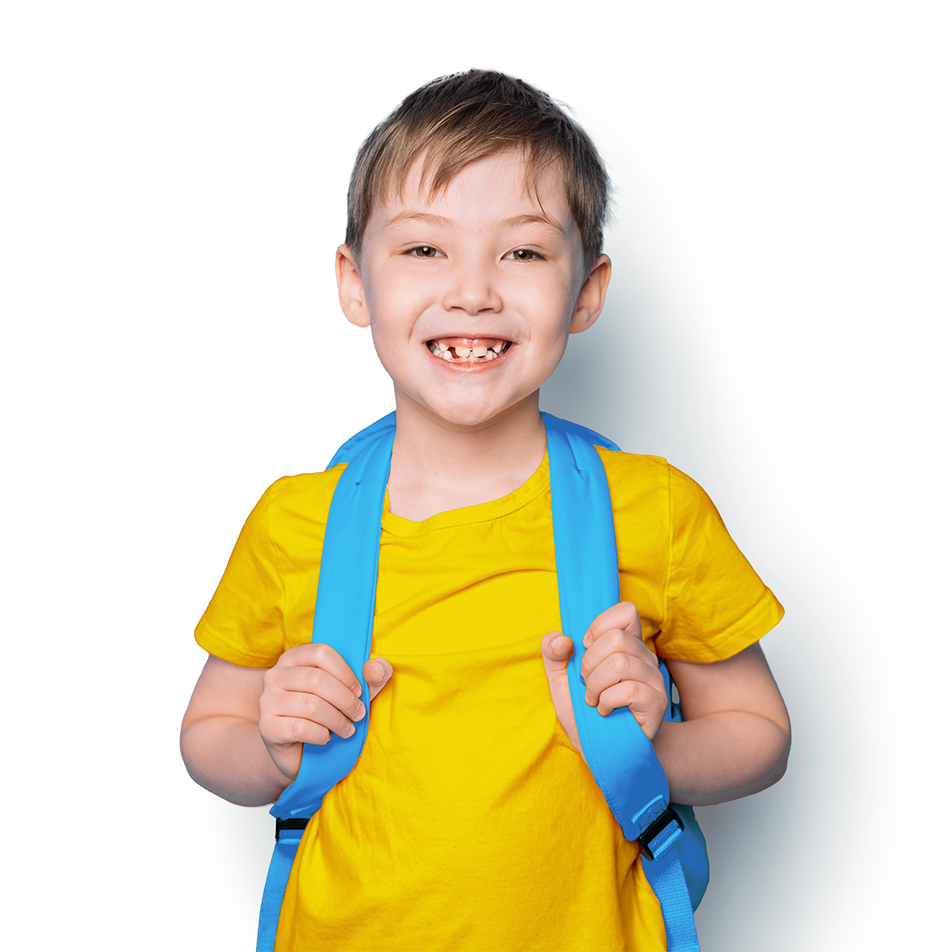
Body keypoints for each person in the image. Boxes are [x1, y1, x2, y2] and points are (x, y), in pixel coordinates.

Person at [179, 66, 791, 951]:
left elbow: (761, 737)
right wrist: (273, 743)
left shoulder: (652, 511)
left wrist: (653, 744)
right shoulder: (295, 524)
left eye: (525, 252)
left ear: (585, 291)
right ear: (355, 284)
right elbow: (208, 738)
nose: (473, 290)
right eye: (425, 250)